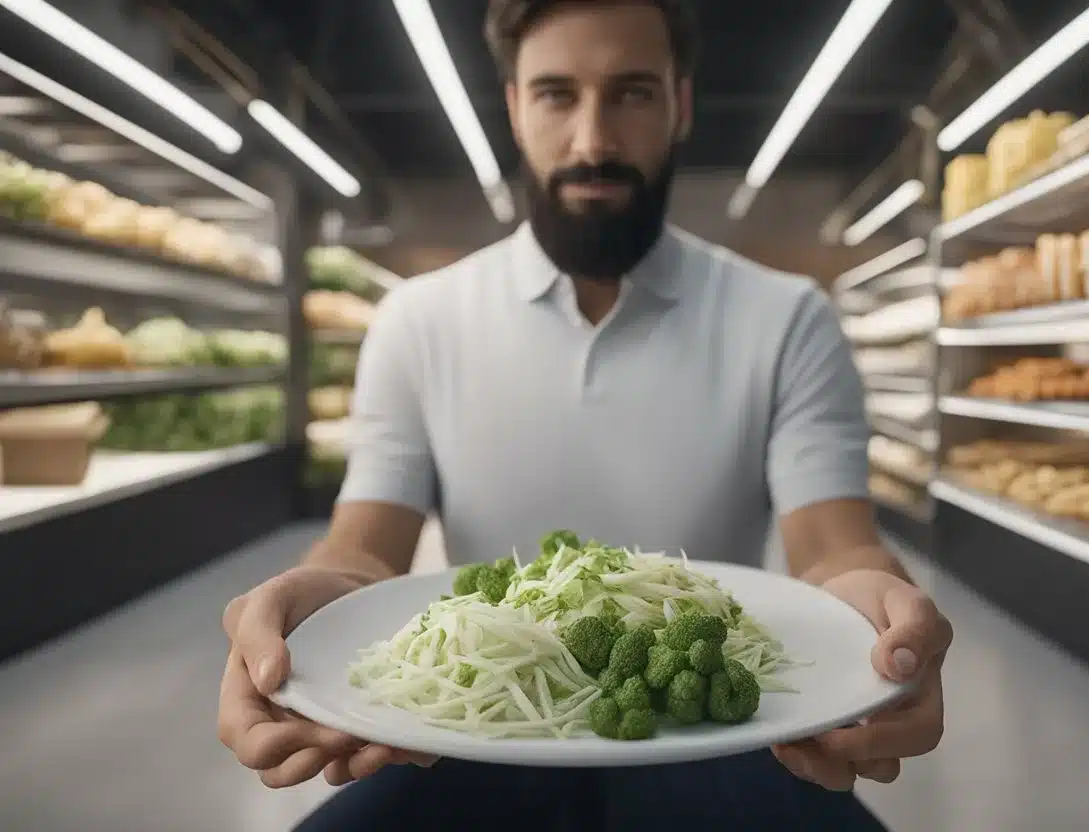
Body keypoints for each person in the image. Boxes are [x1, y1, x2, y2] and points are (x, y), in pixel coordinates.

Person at [217, 1, 953, 829]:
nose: (594, 141)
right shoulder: (419, 321)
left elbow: (832, 546)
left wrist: (879, 611)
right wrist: (308, 609)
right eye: (557, 94)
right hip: (475, 725)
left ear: (680, 105)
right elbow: (364, 549)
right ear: (514, 107)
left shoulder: (786, 319)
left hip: (716, 725)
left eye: (632, 94)